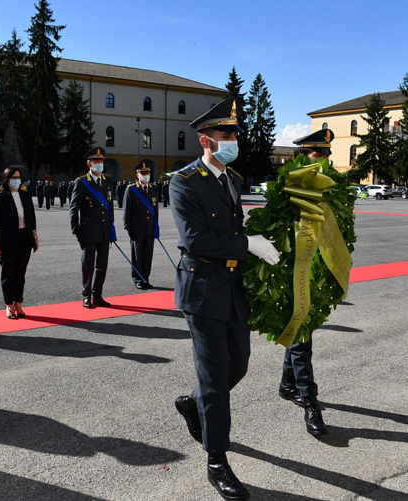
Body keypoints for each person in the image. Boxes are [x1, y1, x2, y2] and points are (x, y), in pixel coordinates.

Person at [169, 97, 279, 501]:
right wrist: (247, 243)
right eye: (225, 134)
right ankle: (217, 461)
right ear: (205, 141)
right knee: (215, 379)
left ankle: (192, 404)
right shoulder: (184, 181)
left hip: (232, 288)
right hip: (201, 290)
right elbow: (195, 239)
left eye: (234, 134)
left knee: (240, 365)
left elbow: (234, 230)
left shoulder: (231, 179)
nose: (233, 140)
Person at [276, 128, 336, 437]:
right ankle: (310, 401)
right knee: (302, 336)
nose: (324, 159)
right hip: (291, 273)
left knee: (303, 331)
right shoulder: (288, 188)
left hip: (315, 272)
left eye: (326, 155)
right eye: (319, 154)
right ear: (303, 155)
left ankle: (288, 384)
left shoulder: (327, 188)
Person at [69, 147, 115, 308]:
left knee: (102, 265)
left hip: (104, 231)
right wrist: (76, 230)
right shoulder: (81, 182)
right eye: (96, 161)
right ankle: (86, 295)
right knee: (88, 265)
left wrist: (111, 227)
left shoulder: (107, 181)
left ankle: (98, 295)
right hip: (88, 232)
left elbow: (109, 206)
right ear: (89, 164)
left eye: (101, 161)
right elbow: (73, 208)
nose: (99, 164)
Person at [0, 167, 39, 319]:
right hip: (7, 240)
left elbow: (31, 218)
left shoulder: (25, 196)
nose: (17, 180)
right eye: (14, 178)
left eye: (19, 177)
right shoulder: (0, 197)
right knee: (8, 273)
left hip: (24, 238)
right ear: (6, 179)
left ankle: (19, 303)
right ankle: (9, 305)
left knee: (20, 273)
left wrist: (35, 237)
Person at [123, 160, 158, 289]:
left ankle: (146, 278)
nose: (146, 175)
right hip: (136, 229)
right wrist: (128, 228)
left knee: (148, 255)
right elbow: (127, 211)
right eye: (143, 173)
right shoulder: (131, 189)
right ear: (137, 175)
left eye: (147, 172)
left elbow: (155, 211)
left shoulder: (153, 188)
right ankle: (138, 278)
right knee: (137, 256)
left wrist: (156, 227)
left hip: (149, 228)